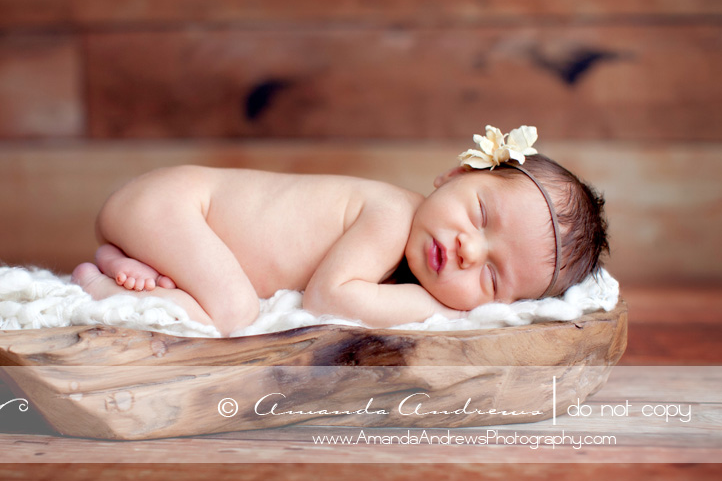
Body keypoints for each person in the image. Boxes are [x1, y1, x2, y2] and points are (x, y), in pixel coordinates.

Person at [72, 125, 608, 335]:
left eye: (492, 277)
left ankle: (130, 260)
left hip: (168, 216)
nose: (470, 250)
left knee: (219, 288)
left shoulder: (406, 252)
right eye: (481, 216)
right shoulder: (392, 215)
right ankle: (101, 286)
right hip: (174, 204)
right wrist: (450, 307)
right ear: (455, 175)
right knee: (234, 313)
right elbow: (329, 299)